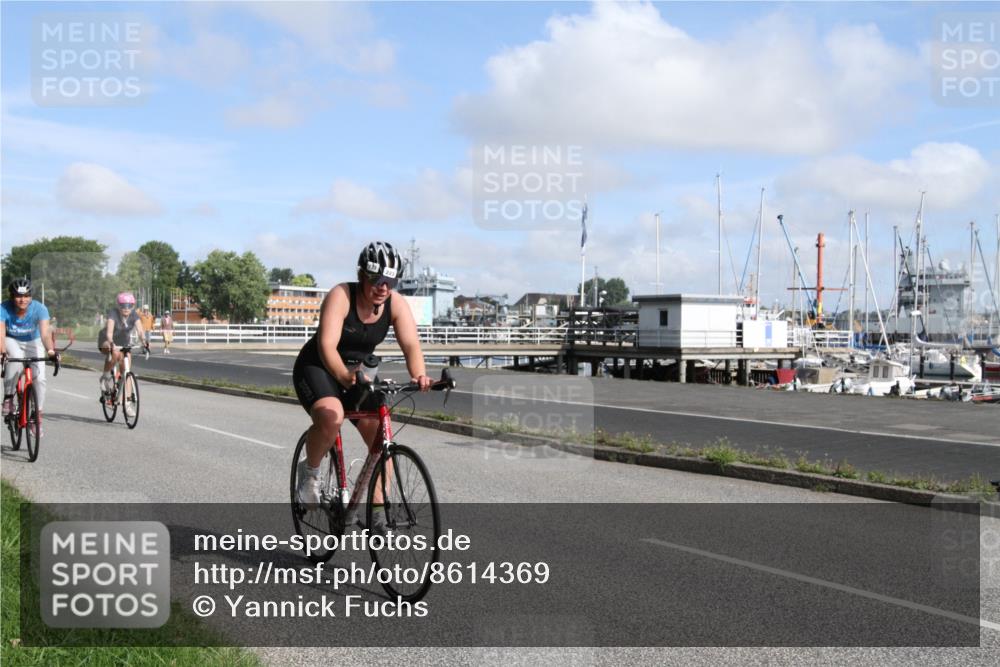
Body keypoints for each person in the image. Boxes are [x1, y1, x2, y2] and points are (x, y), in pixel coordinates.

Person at [292, 241, 432, 526]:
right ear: (361, 275)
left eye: (390, 281)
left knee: (382, 436)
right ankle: (310, 472)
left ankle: (378, 510)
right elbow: (327, 346)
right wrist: (344, 378)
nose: (383, 287)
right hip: (319, 366)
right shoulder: (341, 296)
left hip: (359, 374)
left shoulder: (395, 303)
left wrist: (420, 375)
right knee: (332, 416)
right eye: (376, 279)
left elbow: (411, 346)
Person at [1, 278, 57, 425]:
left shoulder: (40, 308)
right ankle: (8, 398)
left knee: (39, 378)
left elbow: (45, 334)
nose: (22, 300)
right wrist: (2, 352)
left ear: (31, 296)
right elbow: (0, 333)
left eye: (26, 296)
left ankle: (36, 414)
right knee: (16, 359)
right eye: (18, 296)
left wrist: (50, 350)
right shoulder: (4, 308)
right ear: (12, 296)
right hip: (12, 340)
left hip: (34, 341)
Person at [99, 292, 147, 394]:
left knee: (126, 369)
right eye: (123, 306)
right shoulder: (113, 313)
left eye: (129, 306)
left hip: (123, 341)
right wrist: (111, 343)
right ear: (118, 305)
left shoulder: (134, 315)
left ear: (133, 306)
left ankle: (127, 401)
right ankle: (106, 376)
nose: (126, 308)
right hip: (107, 340)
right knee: (115, 353)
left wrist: (144, 341)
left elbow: (140, 331)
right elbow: (109, 333)